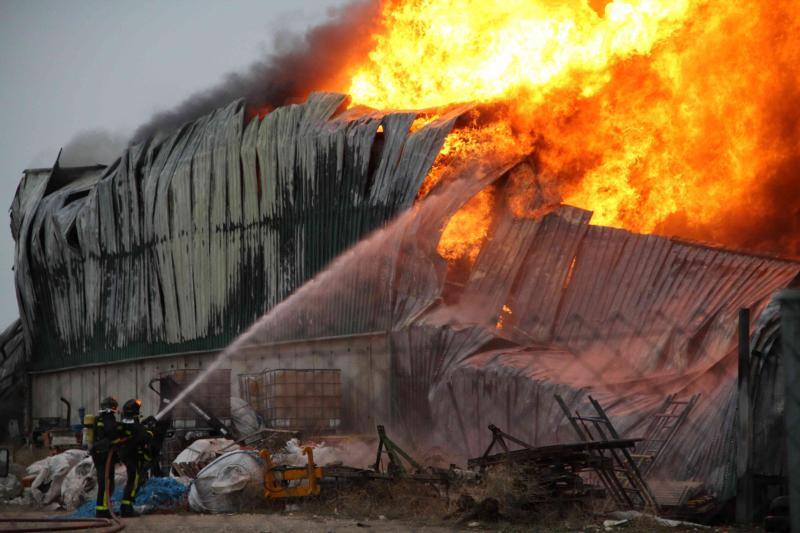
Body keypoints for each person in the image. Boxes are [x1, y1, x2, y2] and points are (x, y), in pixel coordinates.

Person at [117, 399, 154, 517]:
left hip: (127, 455)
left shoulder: (124, 424)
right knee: (134, 480)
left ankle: (126, 506)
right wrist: (150, 429)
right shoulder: (135, 426)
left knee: (133, 480)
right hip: (132, 456)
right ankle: (127, 507)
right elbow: (145, 436)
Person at [90, 396, 120, 519]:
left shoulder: (99, 418)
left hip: (99, 453)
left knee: (105, 481)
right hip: (104, 454)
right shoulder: (108, 418)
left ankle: (104, 508)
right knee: (106, 482)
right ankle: (102, 511)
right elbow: (112, 433)